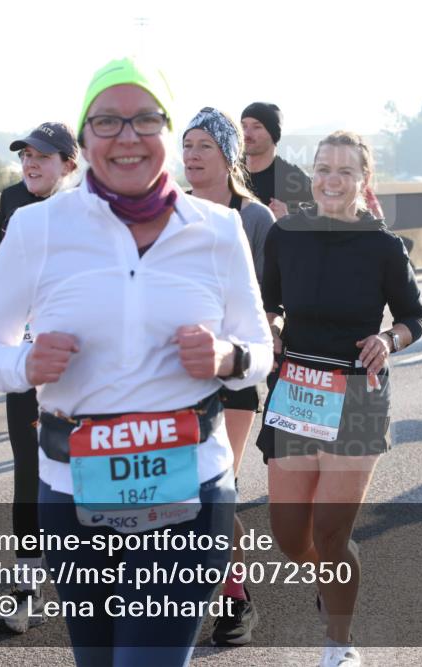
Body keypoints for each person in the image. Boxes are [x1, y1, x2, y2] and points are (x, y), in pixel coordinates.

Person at [0, 57, 273, 665]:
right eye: (107, 121)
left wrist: (226, 355)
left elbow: (259, 349)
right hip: (73, 495)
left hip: (189, 491)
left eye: (146, 120)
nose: (128, 136)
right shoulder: (36, 227)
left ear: (167, 132)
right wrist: (26, 365)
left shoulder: (218, 229)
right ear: (84, 139)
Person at [257, 129, 422, 667]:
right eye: (324, 169)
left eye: (345, 171)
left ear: (363, 179)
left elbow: (413, 317)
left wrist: (388, 340)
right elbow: (270, 302)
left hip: (357, 395)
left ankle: (340, 641)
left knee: (331, 532)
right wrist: (273, 326)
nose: (332, 180)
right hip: (297, 391)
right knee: (290, 537)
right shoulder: (285, 235)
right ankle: (333, 579)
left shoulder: (383, 246)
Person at [182, 106, 275, 646]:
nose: (192, 156)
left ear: (229, 156)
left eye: (205, 146)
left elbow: (273, 297)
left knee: (218, 491)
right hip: (179, 375)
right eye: (187, 145)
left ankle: (236, 598)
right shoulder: (171, 211)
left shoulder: (254, 218)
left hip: (234, 374)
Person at [0, 121, 80, 635]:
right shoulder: (12, 201)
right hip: (27, 358)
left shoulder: (91, 209)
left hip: (82, 365)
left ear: (69, 164)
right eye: (25, 155)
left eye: (42, 157)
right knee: (29, 468)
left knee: (83, 469)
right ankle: (26, 586)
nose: (30, 163)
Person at [241, 102, 313, 219]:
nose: (246, 134)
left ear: (273, 134)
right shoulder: (227, 172)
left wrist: (288, 219)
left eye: (257, 127)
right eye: (243, 126)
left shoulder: (297, 180)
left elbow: (318, 224)